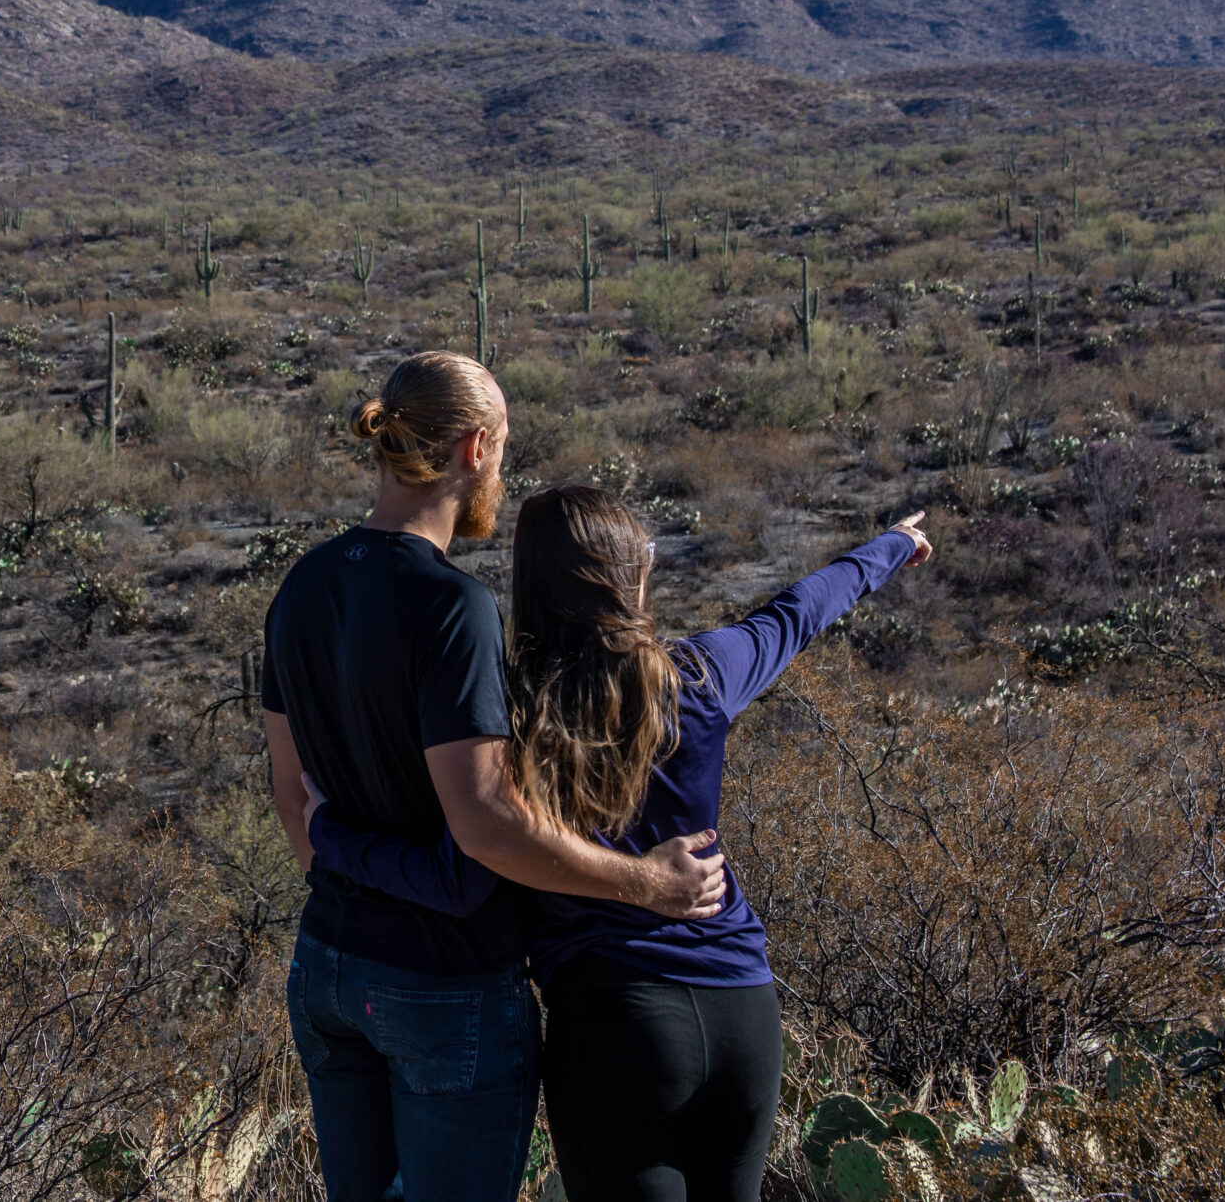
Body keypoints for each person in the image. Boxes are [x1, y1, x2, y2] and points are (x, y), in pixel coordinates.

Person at [305, 485, 932, 1202]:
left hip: (613, 1024)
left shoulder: (511, 717)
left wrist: (329, 833)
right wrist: (891, 546)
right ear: (631, 573)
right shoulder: (703, 674)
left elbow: (460, 872)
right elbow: (800, 610)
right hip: (742, 1010)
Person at [261, 352, 728, 1202]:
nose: (502, 478)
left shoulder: (302, 585)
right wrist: (644, 883)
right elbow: (484, 823)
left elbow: (294, 798)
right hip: (445, 984)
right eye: (505, 453)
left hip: (328, 964)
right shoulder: (452, 607)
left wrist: (344, 868)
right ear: (473, 448)